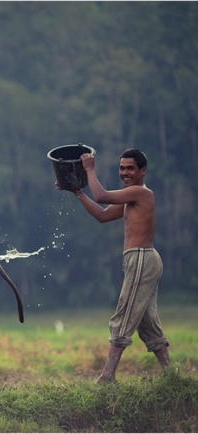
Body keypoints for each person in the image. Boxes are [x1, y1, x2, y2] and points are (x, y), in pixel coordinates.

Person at [59, 148, 170, 384]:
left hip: (141, 257)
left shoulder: (142, 193)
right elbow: (102, 215)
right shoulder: (131, 198)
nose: (125, 173)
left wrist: (89, 169)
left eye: (130, 168)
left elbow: (101, 195)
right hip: (138, 259)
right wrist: (78, 191)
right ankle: (171, 375)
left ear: (143, 170)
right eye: (121, 168)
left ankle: (107, 376)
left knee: (124, 313)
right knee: (147, 321)